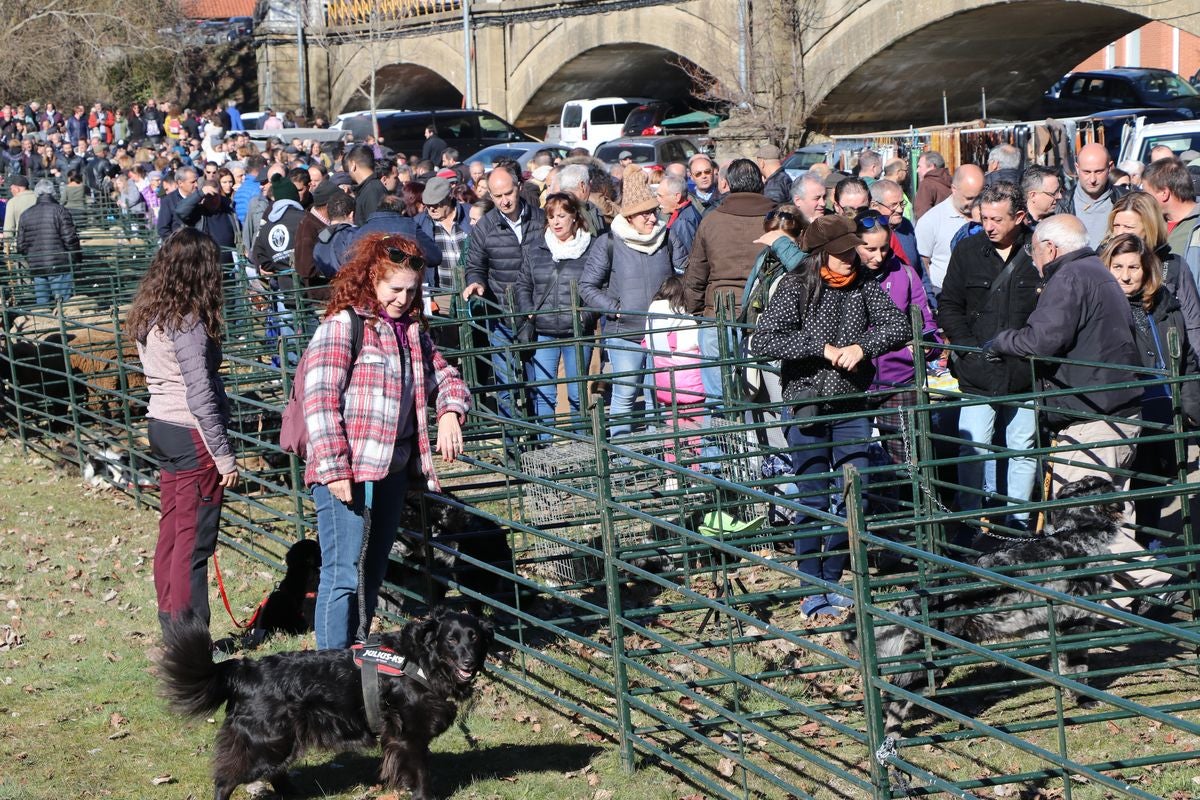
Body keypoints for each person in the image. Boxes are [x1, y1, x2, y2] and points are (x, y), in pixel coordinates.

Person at [989, 215, 1168, 610]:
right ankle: (1123, 609)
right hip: (1117, 408)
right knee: (1113, 508)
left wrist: (1001, 341)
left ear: (1049, 248)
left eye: (1034, 250)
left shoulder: (1068, 278)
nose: (1033, 259)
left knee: (1080, 512)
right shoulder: (1097, 273)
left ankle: (1150, 576)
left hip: (1090, 414)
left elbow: (1042, 339)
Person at [302, 233, 470, 649]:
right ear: (372, 279)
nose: (402, 298)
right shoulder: (345, 325)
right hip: (345, 469)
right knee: (342, 573)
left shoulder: (411, 331)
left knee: (372, 568)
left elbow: (446, 375)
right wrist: (335, 467)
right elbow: (319, 399)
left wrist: (450, 409)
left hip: (392, 467)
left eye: (411, 291)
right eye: (395, 289)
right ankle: (328, 670)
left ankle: (355, 653)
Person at [749, 214, 908, 618]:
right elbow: (763, 340)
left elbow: (898, 324)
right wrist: (820, 347)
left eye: (850, 253)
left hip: (852, 405)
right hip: (808, 402)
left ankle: (834, 580)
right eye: (840, 256)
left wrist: (863, 347)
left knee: (853, 494)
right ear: (821, 255)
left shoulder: (864, 286)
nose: (849, 261)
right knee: (813, 495)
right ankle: (811, 586)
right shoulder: (795, 287)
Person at [126, 229, 238, 634]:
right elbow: (200, 393)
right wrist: (224, 455)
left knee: (173, 532)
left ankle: (173, 625)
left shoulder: (151, 312)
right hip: (192, 435)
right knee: (193, 542)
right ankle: (189, 639)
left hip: (162, 426)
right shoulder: (187, 322)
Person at [938, 181, 1040, 534]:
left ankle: (1017, 525)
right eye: (984, 218)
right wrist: (967, 350)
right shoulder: (967, 251)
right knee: (973, 447)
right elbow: (949, 305)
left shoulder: (1039, 251)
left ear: (1021, 217)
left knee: (1022, 448)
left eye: (997, 219)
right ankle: (968, 523)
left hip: (1025, 370)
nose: (989, 226)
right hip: (976, 371)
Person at [1100, 233, 1200, 537]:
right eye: (1117, 267)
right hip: (1124, 411)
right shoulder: (1101, 309)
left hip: (1165, 409)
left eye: (1133, 267)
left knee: (1155, 483)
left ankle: (1151, 548)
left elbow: (1187, 361)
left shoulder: (1166, 307)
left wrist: (1193, 409)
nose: (1126, 276)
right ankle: (1130, 564)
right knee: (1122, 487)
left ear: (1147, 270)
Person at [580, 166, 675, 438]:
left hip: (661, 331)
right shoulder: (609, 242)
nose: (651, 217)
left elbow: (683, 272)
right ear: (630, 216)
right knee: (624, 395)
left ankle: (663, 453)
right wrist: (616, 309)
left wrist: (674, 305)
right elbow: (588, 286)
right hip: (624, 333)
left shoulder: (667, 237)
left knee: (660, 397)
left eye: (653, 211)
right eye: (644, 212)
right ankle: (622, 459)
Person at [462, 163, 546, 455]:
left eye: (508, 193)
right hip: (503, 314)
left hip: (538, 313)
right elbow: (475, 265)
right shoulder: (485, 227)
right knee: (507, 384)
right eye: (497, 196)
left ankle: (539, 445)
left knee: (538, 382)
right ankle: (512, 449)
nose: (504, 200)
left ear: (519, 187)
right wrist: (475, 283)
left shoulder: (540, 218)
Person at [683, 158, 777, 405]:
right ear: (762, 182)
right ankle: (761, 443)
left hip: (718, 316)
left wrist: (696, 310)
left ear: (725, 184)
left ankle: (718, 444)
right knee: (767, 398)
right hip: (767, 316)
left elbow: (696, 273)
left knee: (718, 398)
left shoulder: (711, 220)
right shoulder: (778, 219)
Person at [855, 210, 940, 470]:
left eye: (883, 248)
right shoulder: (842, 276)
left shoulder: (905, 274)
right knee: (856, 460)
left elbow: (926, 325)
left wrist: (921, 348)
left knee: (906, 461)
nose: (878, 256)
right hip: (855, 381)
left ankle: (908, 508)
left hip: (898, 380)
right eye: (869, 249)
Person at [514, 193, 597, 438]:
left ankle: (580, 444)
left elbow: (600, 286)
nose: (556, 222)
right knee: (544, 393)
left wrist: (586, 316)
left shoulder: (590, 248)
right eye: (551, 216)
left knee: (577, 392)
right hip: (544, 331)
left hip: (577, 332)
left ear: (574, 216)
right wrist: (529, 311)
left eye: (561, 215)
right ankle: (545, 448)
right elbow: (522, 284)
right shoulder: (536, 248)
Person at [1107, 190, 1200, 364]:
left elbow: (1193, 324)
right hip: (1122, 368)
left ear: (1149, 227)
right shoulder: (1101, 263)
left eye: (1128, 227)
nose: (1120, 233)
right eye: (1116, 226)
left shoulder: (1173, 265)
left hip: (1166, 364)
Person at [645, 275, 706, 464]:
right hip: (692, 386)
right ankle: (698, 472)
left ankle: (672, 471)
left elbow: (647, 343)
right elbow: (698, 342)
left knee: (672, 430)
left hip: (666, 387)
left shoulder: (653, 314)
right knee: (696, 429)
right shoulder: (688, 315)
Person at [916, 163, 984, 298]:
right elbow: (922, 263)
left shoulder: (988, 215)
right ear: (954, 189)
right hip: (946, 296)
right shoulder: (931, 220)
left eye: (979, 197)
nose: (974, 203)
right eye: (969, 198)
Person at [17, 179, 82, 306]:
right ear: (53, 192)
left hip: (37, 266)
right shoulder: (60, 211)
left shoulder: (25, 214)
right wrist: (77, 258)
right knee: (64, 306)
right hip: (59, 265)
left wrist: (31, 258)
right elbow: (70, 239)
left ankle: (45, 324)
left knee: (42, 306)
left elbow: (20, 245)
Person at [1056, 142, 1129, 248]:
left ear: (1110, 168)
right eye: (1086, 172)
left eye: (1099, 172)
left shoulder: (1128, 200)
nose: (1092, 179)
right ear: (1077, 168)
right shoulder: (1061, 204)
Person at [1140, 156, 1200, 284]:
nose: (1143, 199)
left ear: (1164, 193)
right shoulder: (1151, 222)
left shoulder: (1196, 226)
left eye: (1146, 193)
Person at [914, 151, 952, 219]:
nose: (917, 170)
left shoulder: (926, 184)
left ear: (931, 167)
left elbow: (922, 217)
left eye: (920, 166)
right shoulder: (951, 182)